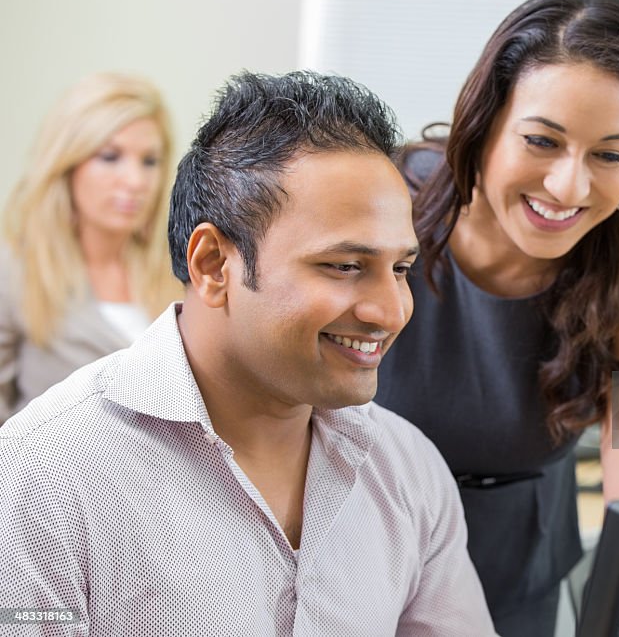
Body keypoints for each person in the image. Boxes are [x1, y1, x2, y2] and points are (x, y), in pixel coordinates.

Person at [0, 71, 496, 636]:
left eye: (402, 269)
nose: (392, 311)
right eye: (344, 266)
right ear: (212, 265)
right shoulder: (41, 479)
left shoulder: (406, 467)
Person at [376, 0, 619, 635]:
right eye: (542, 141)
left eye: (610, 154)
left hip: (515, 584)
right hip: (356, 555)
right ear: (487, 122)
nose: (568, 186)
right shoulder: (386, 203)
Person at [0, 73, 181, 423]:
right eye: (110, 157)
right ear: (68, 165)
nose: (135, 181)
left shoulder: (180, 273)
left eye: (149, 161)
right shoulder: (18, 272)